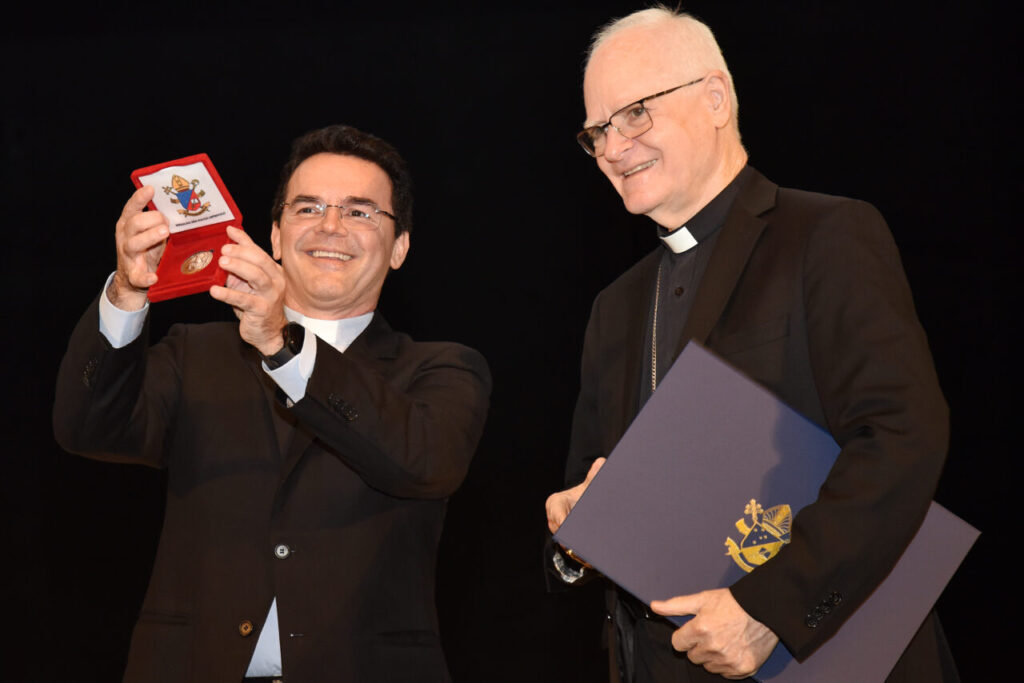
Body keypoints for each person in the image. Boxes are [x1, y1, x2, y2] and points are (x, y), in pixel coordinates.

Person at [544, 8, 956, 683]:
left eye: (635, 114)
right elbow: (582, 494)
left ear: (715, 99)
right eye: (598, 131)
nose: (614, 148)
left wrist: (771, 608)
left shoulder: (824, 235)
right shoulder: (613, 308)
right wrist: (573, 541)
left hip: (823, 654)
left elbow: (902, 436)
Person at [54, 124, 491, 682]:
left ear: (400, 247)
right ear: (276, 236)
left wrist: (282, 341)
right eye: (308, 208)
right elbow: (87, 428)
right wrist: (127, 294)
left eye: (360, 212)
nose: (330, 226)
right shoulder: (197, 353)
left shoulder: (441, 369)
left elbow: (424, 463)